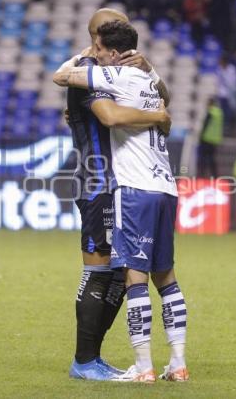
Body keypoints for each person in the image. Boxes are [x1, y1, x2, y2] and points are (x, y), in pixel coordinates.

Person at [54, 20, 189, 383]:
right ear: (97, 43)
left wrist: (150, 71)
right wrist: (157, 116)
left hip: (122, 183)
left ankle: (94, 359)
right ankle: (86, 360)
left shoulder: (120, 72)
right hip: (101, 182)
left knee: (120, 273)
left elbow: (160, 94)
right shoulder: (89, 69)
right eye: (96, 45)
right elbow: (108, 114)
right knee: (102, 273)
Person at [197, 97, 223, 178]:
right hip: (215, 140)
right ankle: (215, 175)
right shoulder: (219, 113)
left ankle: (202, 175)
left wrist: (200, 136)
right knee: (212, 159)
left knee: (203, 158)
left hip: (206, 139)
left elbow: (205, 125)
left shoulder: (210, 112)